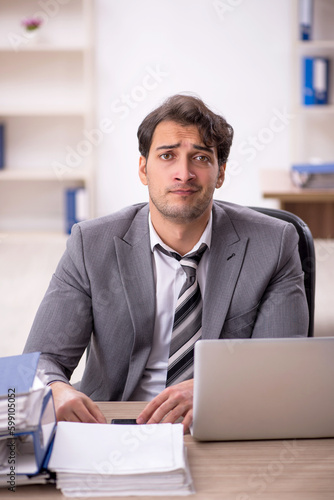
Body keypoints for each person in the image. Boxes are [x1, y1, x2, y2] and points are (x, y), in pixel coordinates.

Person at [24, 94, 309, 432]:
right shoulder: (91, 244)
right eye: (167, 155)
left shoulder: (273, 243)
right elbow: (40, 361)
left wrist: (213, 390)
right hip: (113, 425)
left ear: (220, 173)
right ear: (144, 169)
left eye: (200, 157)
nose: (183, 173)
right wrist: (55, 389)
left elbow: (280, 367)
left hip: (224, 421)